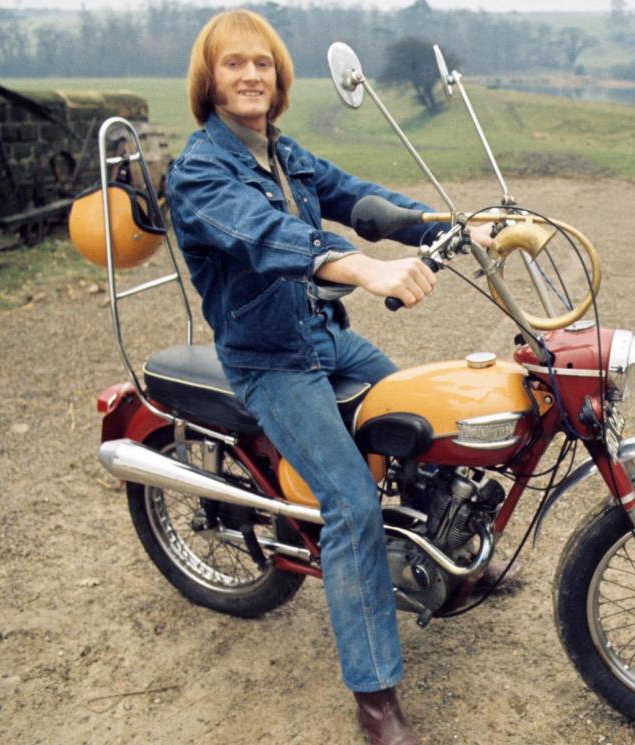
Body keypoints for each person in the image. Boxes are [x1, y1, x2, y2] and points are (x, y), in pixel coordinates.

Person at [166, 10, 492, 745]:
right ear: (209, 81)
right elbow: (271, 236)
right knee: (350, 505)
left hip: (323, 338)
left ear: (280, 77)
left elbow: (357, 197)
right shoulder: (198, 170)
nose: (252, 75)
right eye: (234, 64)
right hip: (268, 360)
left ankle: (450, 562)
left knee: (428, 420)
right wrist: (365, 268)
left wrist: (453, 224)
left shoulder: (283, 152)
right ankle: (375, 698)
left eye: (263, 64)